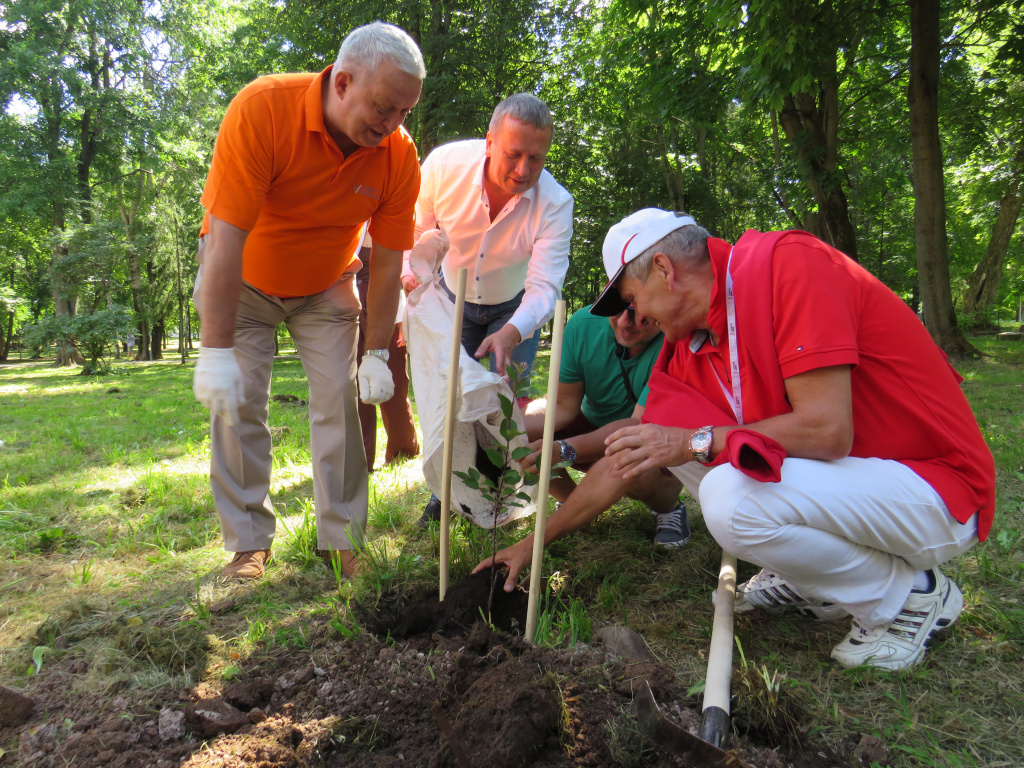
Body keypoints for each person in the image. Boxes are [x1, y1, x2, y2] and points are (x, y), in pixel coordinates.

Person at [482, 207, 995, 672]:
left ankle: (909, 596)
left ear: (665, 268)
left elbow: (826, 430)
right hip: (857, 494)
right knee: (676, 446)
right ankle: (819, 582)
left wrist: (693, 441)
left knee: (729, 497)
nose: (635, 318)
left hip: (936, 490)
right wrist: (533, 543)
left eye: (634, 300)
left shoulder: (787, 267)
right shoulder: (686, 348)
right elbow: (628, 456)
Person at [190, 22, 425, 581]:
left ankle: (342, 540)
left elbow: (388, 264)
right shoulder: (263, 111)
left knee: (340, 403)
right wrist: (216, 348)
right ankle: (249, 543)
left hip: (326, 287)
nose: (391, 125)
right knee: (239, 403)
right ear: (342, 82)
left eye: (403, 114)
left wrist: (375, 353)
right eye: (382, 107)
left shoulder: (396, 156)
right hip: (243, 282)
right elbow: (223, 242)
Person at [403, 93, 574, 526]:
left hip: (513, 310)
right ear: (490, 141)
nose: (523, 170)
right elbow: (416, 226)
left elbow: (544, 285)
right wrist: (414, 285)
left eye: (536, 158)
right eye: (513, 154)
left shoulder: (555, 203)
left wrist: (513, 331)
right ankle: (444, 496)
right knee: (448, 400)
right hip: (450, 300)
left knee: (502, 402)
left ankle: (500, 496)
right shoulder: (443, 167)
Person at [518, 303, 689, 547]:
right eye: (616, 309)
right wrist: (508, 428)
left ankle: (668, 508)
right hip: (588, 428)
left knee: (629, 461)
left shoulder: (676, 341)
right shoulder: (583, 323)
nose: (623, 323)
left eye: (641, 318)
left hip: (647, 442)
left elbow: (636, 425)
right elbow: (563, 406)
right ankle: (574, 506)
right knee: (520, 435)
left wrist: (564, 449)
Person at [355, 230, 420, 471]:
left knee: (394, 376)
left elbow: (394, 271)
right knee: (356, 383)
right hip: (348, 296)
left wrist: (401, 314)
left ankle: (403, 448)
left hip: (387, 298)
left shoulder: (393, 216)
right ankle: (361, 457)